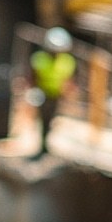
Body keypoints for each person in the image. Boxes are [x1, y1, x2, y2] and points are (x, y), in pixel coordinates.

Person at [30, 26, 77, 156]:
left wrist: (68, 94)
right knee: (42, 120)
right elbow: (34, 76)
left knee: (51, 120)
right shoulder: (40, 58)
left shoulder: (67, 61)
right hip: (42, 94)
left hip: (56, 95)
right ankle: (42, 144)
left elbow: (68, 79)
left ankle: (46, 144)